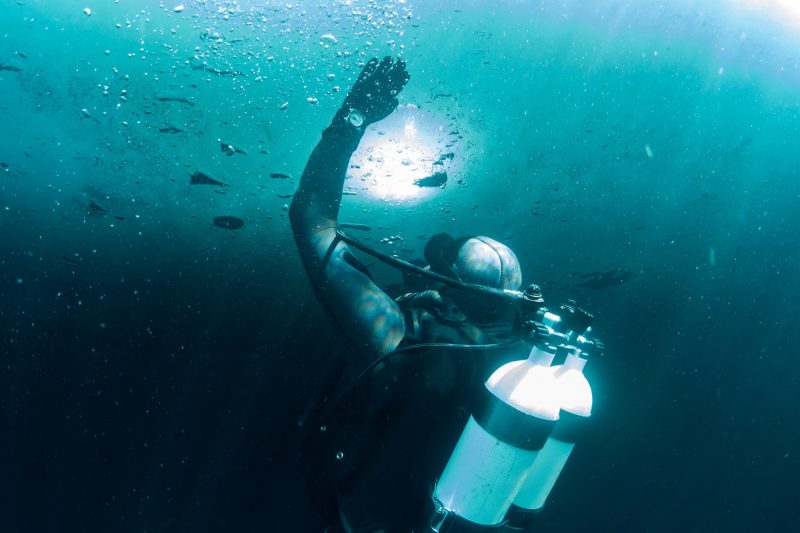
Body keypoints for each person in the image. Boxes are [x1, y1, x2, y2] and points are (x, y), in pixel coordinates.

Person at [290, 57, 542, 532]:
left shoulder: (398, 337)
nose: (424, 269)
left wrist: (353, 116)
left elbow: (311, 219)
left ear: (449, 286)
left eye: (438, 266)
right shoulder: (522, 362)